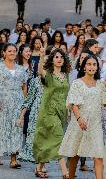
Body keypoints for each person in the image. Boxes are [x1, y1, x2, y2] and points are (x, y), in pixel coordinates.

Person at [59, 55, 106, 179]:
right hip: (79, 123)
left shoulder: (100, 84)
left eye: (94, 64)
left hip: (95, 124)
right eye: (89, 64)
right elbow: (74, 103)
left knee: (98, 156)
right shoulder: (77, 83)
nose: (92, 67)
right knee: (75, 154)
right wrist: (79, 119)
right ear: (84, 67)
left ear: (97, 68)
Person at [0, 43, 28, 167]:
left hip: (17, 103)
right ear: (4, 53)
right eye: (9, 51)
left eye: (14, 51)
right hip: (1, 102)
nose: (12, 53)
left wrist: (24, 102)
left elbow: (24, 87)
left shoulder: (21, 69)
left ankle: (14, 158)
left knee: (16, 128)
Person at [33, 48, 71, 178]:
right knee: (58, 138)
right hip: (49, 112)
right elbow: (40, 71)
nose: (59, 59)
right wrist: (42, 55)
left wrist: (68, 110)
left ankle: (39, 168)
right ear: (52, 60)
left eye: (61, 57)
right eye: (56, 57)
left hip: (62, 112)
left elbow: (67, 94)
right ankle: (65, 172)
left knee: (49, 139)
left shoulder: (66, 75)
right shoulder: (48, 74)